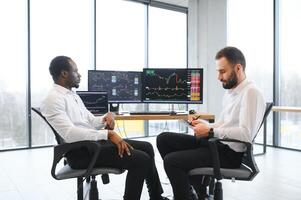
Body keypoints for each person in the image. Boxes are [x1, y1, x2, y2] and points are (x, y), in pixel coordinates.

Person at [41, 56, 169, 200]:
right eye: (76, 71)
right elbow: (70, 134)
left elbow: (90, 121)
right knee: (142, 160)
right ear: (64, 73)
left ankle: (156, 197)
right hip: (80, 153)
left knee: (147, 147)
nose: (79, 75)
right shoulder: (53, 99)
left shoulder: (72, 95)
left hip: (92, 146)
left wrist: (106, 117)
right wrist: (108, 134)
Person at [156, 47, 265, 200]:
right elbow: (224, 124)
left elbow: (245, 134)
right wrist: (206, 126)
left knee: (171, 161)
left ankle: (187, 195)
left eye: (222, 71)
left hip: (229, 154)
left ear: (238, 68)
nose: (219, 77)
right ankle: (192, 192)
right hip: (217, 144)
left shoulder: (251, 92)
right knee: (163, 139)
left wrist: (210, 132)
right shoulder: (232, 92)